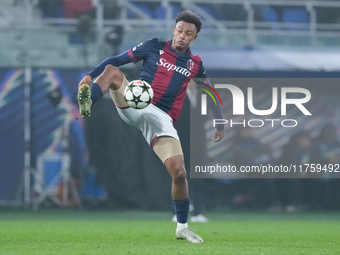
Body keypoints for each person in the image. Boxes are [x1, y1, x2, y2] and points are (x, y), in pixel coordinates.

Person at [77, 11, 225, 243]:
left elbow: (209, 91)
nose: (182, 37)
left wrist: (220, 122)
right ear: (173, 31)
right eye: (179, 31)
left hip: (161, 119)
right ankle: (89, 100)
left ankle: (182, 226)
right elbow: (115, 60)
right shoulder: (153, 46)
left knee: (179, 172)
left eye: (188, 34)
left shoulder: (195, 64)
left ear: (194, 38)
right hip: (135, 102)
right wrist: (89, 76)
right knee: (112, 72)